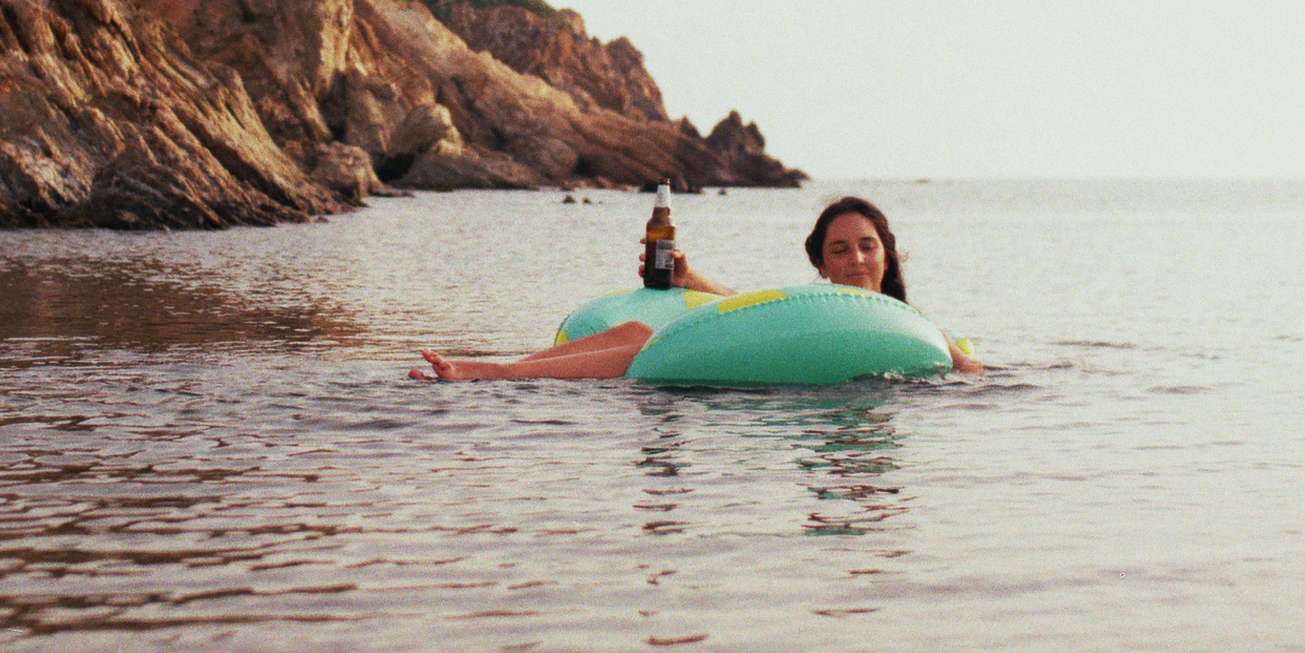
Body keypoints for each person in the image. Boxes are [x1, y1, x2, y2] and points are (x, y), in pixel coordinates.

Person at [407, 194, 985, 379]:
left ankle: (493, 375)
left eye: (866, 246)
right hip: (752, 388)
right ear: (821, 265)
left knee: (646, 345)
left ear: (886, 254)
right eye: (840, 249)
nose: (855, 258)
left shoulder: (912, 328)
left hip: (767, 408)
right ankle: (500, 370)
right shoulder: (816, 310)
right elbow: (751, 311)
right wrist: (689, 279)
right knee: (637, 331)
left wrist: (963, 363)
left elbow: (969, 370)